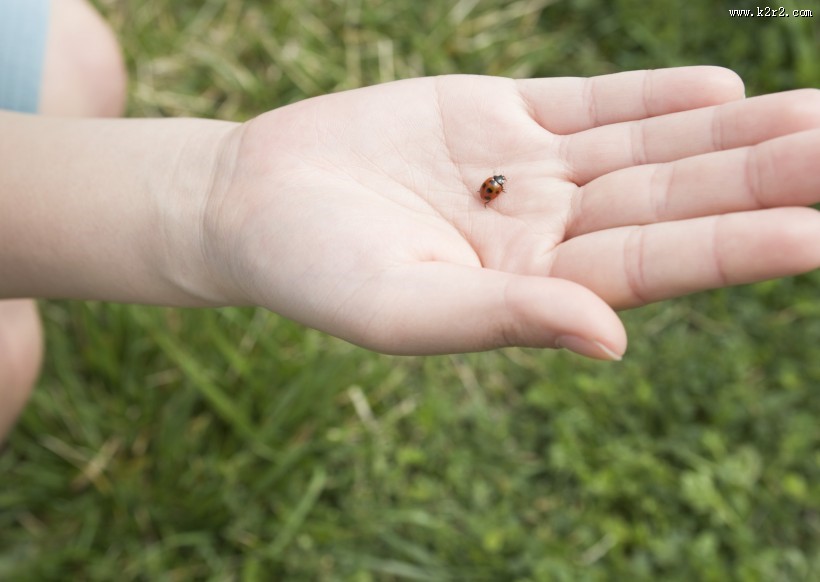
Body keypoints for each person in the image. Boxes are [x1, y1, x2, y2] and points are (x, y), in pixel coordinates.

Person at [2, 0, 820, 442]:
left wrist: (211, 188)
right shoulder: (493, 183)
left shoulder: (493, 182)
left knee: (74, 58)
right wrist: (219, 199)